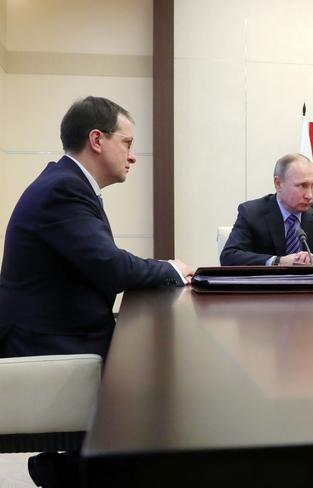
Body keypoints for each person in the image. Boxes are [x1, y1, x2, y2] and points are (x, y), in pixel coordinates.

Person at [0, 96, 195, 487]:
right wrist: (170, 269)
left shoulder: (67, 184)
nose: (133, 156)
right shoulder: (62, 189)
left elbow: (103, 262)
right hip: (42, 341)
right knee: (154, 377)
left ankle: (73, 468)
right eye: (127, 143)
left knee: (151, 358)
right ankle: (79, 471)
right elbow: (111, 267)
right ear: (96, 139)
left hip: (60, 327)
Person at [220, 153, 313, 265]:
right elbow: (229, 256)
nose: (309, 195)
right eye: (302, 185)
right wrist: (278, 261)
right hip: (267, 294)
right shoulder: (251, 212)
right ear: (278, 183)